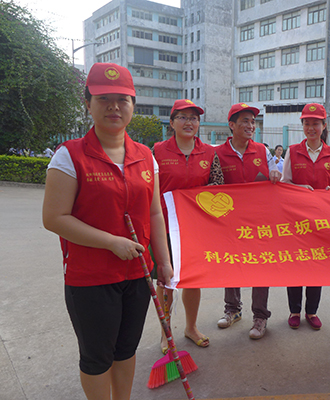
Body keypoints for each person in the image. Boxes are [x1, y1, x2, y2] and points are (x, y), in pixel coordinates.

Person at [42, 63, 173, 400]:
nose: (114, 107)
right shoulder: (69, 156)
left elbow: (155, 212)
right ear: (88, 103)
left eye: (122, 99)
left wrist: (164, 261)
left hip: (138, 273)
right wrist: (111, 242)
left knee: (126, 349)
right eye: (103, 99)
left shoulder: (146, 156)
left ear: (133, 105)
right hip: (91, 278)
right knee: (97, 357)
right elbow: (54, 217)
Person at [154, 99, 224, 354]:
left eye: (193, 118)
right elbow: (148, 188)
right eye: (182, 117)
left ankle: (191, 327)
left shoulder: (209, 153)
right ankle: (166, 333)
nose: (189, 122)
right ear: (172, 123)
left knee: (193, 280)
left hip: (195, 228)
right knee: (166, 281)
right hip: (164, 227)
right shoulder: (157, 151)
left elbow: (218, 186)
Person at [215, 102, 282, 340]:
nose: (251, 126)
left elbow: (275, 173)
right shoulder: (218, 153)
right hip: (230, 223)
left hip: (259, 222)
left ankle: (260, 316)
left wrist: (275, 174)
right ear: (231, 125)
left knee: (260, 267)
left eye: (253, 122)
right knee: (231, 264)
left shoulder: (262, 151)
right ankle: (232, 309)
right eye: (245, 121)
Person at [281, 103, 330, 330]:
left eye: (315, 123)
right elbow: (285, 183)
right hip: (296, 220)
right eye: (306, 123)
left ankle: (312, 311)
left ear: (324, 126)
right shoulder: (292, 151)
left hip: (322, 221)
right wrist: (300, 189)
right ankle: (294, 311)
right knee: (296, 265)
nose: (311, 128)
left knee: (317, 265)